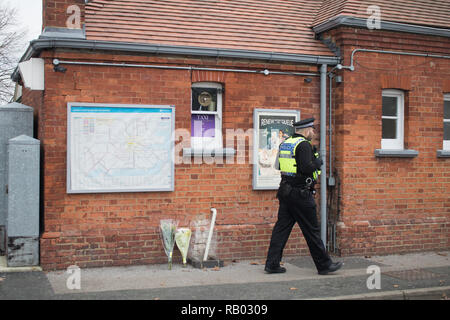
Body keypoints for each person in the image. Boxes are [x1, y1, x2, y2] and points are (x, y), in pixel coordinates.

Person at [265, 117, 342, 275]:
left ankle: (272, 264)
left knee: (281, 229)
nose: (313, 133)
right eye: (312, 130)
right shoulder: (304, 145)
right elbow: (307, 168)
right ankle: (324, 265)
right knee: (312, 231)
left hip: (286, 191)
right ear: (306, 130)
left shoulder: (286, 143)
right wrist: (318, 162)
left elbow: (278, 166)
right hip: (301, 194)